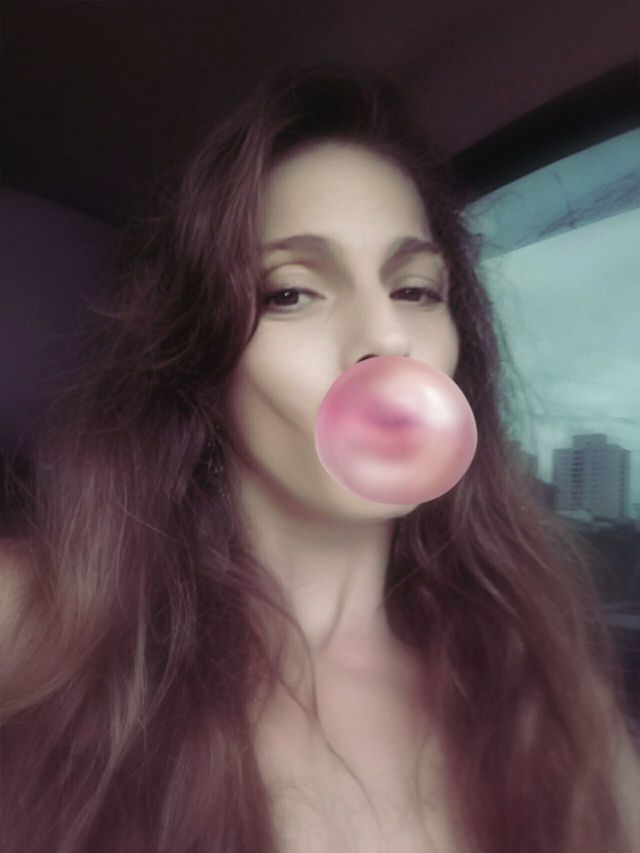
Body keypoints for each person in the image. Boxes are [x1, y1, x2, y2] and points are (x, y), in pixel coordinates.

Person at [0, 62, 638, 853]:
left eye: (415, 290)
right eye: (291, 292)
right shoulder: (36, 620)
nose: (388, 337)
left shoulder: (546, 697)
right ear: (200, 357)